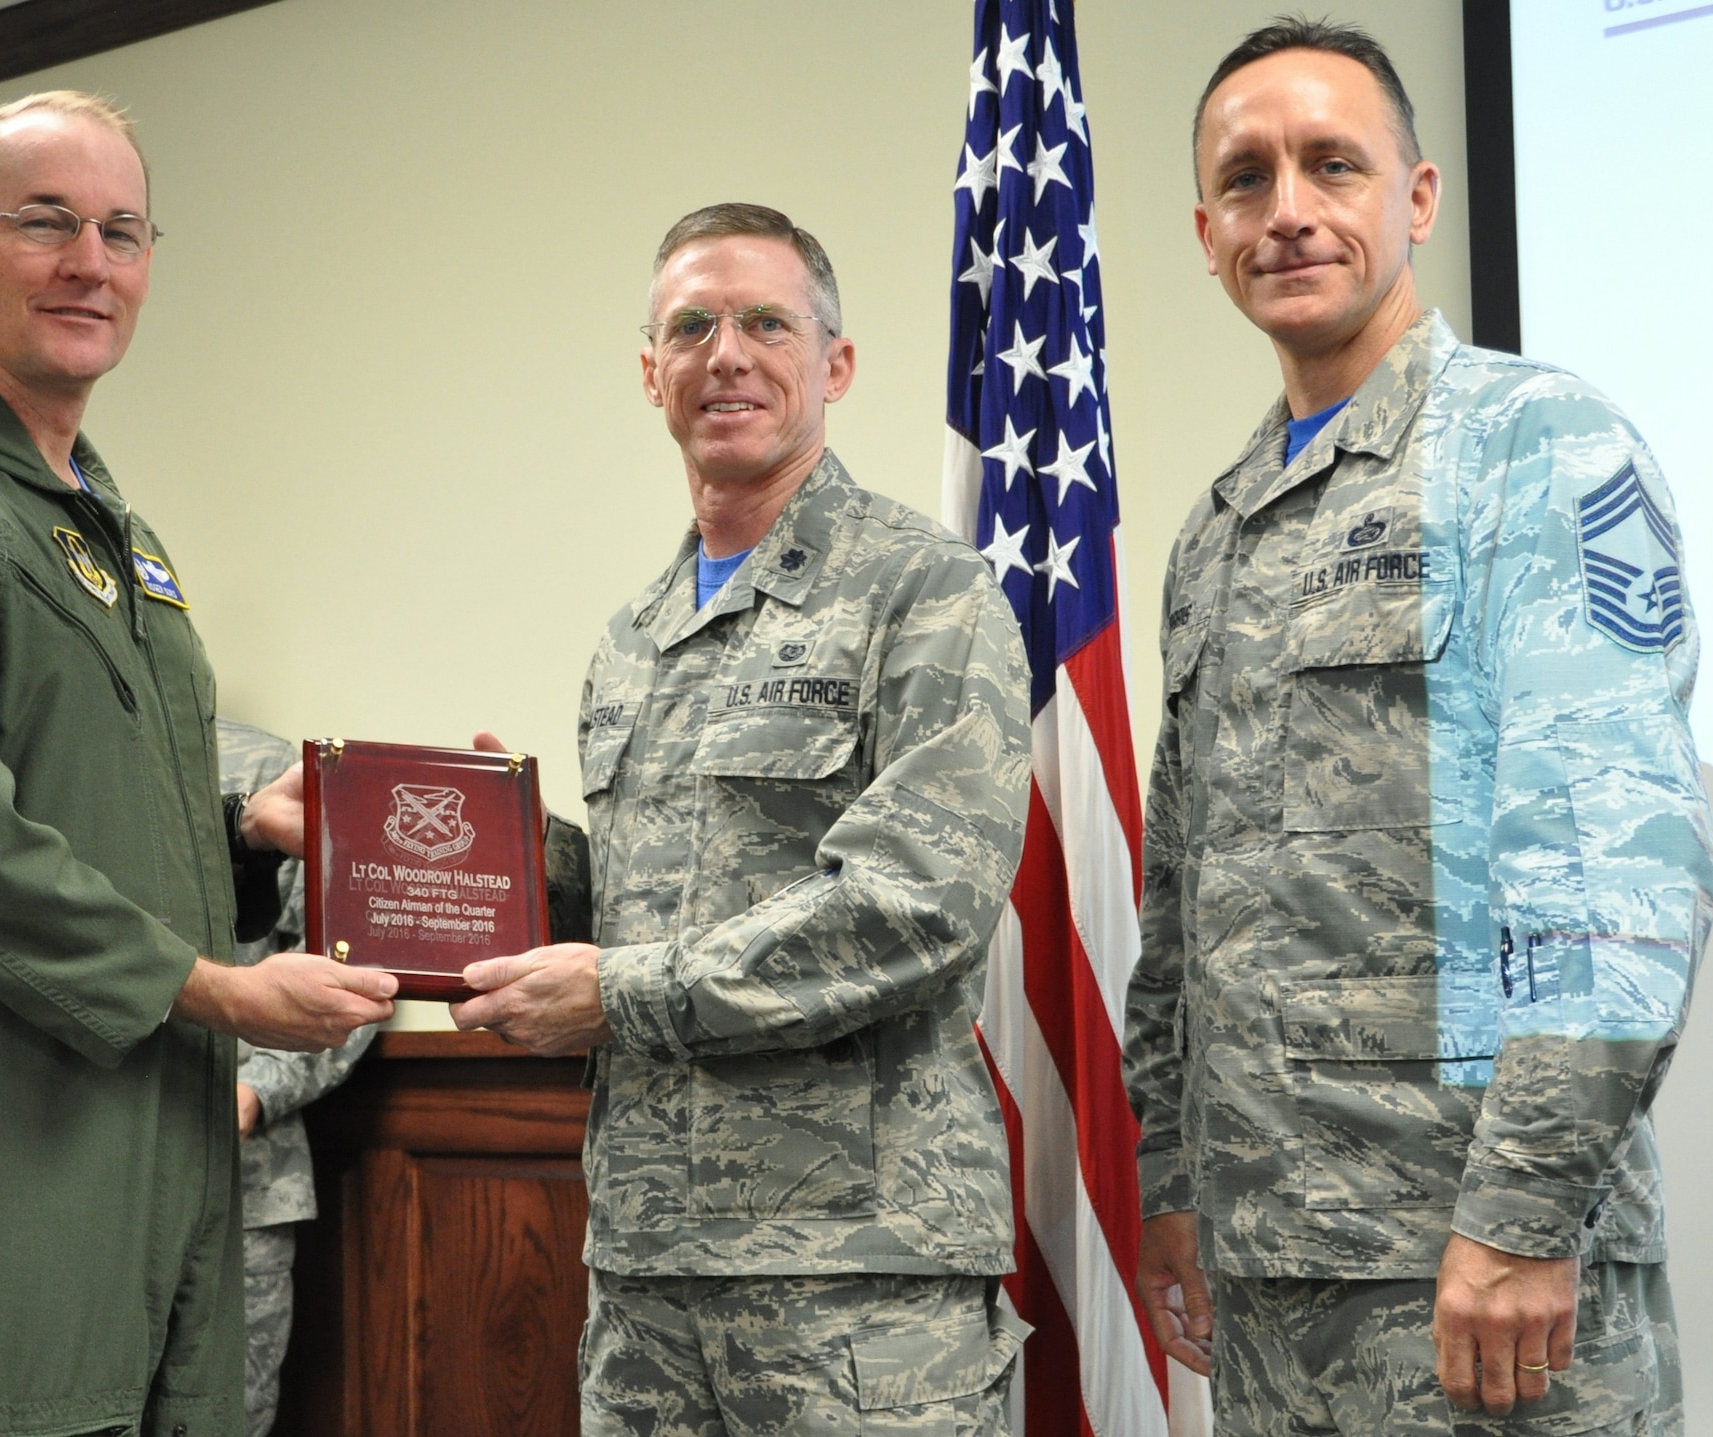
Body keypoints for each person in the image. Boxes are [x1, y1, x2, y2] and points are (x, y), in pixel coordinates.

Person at [0, 92, 396, 1437]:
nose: (89, 261)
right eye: (45, 222)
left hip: (157, 1149)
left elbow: (91, 786)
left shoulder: (118, 537)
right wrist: (215, 987)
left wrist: (247, 822)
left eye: (121, 230)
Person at [1122, 19, 1711, 1435]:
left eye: (1334, 164)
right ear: (1207, 232)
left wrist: (1520, 1210)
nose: (1292, 210)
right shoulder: (1214, 533)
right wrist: (1173, 1179)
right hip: (1274, 1286)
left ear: (1419, 199)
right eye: (1248, 180)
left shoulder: (1538, 445)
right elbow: (1181, 900)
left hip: (1476, 1280)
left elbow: (1613, 853)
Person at [451, 203, 1033, 1435]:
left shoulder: (926, 592)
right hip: (649, 1273)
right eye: (692, 326)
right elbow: (640, 902)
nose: (728, 353)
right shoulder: (631, 638)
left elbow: (913, 905)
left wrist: (622, 992)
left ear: (835, 364)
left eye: (767, 322)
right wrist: (480, 850)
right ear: (650, 372)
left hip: (859, 1283)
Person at [214, 716, 379, 1437]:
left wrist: (258, 1088)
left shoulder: (269, 768)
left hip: (242, 1183)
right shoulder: (54, 763)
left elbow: (352, 972)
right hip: (76, 1172)